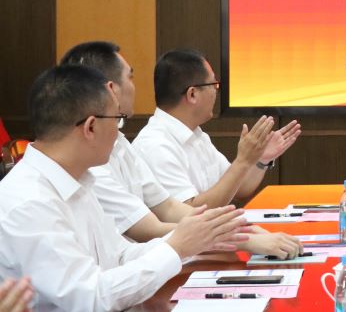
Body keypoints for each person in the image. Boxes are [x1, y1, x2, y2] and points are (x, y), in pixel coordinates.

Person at [0, 64, 248, 312]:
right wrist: (176, 247)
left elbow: (120, 256)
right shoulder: (30, 202)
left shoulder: (78, 180)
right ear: (90, 127)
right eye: (116, 119)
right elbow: (92, 298)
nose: (119, 133)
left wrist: (191, 240)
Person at [61, 41, 301, 258]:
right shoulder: (139, 148)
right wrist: (243, 238)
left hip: (163, 262)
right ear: (111, 90)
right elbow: (150, 228)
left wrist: (242, 228)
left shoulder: (122, 144)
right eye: (130, 77)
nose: (135, 87)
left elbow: (169, 208)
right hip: (151, 266)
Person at [133, 49, 301, 207]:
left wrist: (261, 159)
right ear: (192, 94)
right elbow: (189, 212)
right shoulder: (156, 146)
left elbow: (238, 188)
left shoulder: (197, 135)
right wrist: (242, 161)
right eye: (213, 84)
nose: (216, 91)